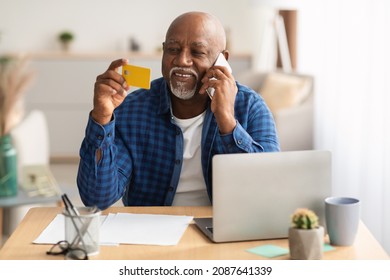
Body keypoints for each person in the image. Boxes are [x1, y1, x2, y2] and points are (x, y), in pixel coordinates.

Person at [77, 11, 280, 210]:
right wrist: (102, 117)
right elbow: (97, 198)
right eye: (173, 49)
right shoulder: (132, 109)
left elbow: (269, 190)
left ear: (222, 59)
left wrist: (227, 120)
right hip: (151, 231)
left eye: (197, 52)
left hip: (224, 229)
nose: (182, 60)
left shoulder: (251, 107)